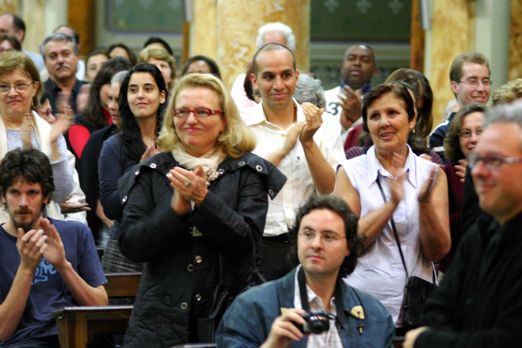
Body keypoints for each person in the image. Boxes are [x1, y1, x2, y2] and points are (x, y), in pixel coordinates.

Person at [118, 73, 286, 346]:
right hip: (159, 322)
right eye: (182, 111)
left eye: (203, 112)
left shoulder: (249, 171)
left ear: (224, 121)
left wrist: (203, 200)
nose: (190, 120)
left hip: (227, 316)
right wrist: (174, 211)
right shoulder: (153, 170)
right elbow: (131, 245)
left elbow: (247, 241)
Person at [404, 102, 522, 348]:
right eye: (478, 159)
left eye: (495, 160)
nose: (478, 171)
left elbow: (507, 340)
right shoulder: (479, 236)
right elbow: (438, 309)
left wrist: (427, 341)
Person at [334, 82, 451, 325]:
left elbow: (438, 251)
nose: (384, 122)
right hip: (361, 310)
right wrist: (390, 205)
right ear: (367, 125)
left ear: (411, 119)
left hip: (416, 313)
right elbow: (346, 245)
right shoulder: (350, 172)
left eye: (392, 113)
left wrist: (424, 203)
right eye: (375, 116)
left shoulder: (432, 174)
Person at [216, 195, 394, 347]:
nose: (316, 244)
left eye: (328, 236)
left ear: (348, 246)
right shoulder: (251, 306)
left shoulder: (374, 314)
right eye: (308, 234)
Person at [245, 43, 345, 280]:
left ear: (297, 77)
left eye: (286, 75)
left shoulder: (325, 124)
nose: (279, 85)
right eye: (269, 76)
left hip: (308, 243)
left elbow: (331, 193)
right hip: (258, 244)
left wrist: (308, 143)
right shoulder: (240, 128)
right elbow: (244, 188)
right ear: (254, 80)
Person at [0, 148, 107, 347]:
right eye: (15, 192)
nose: (23, 203)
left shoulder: (76, 233)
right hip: (24, 342)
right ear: (3, 196)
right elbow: (2, 331)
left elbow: (100, 306)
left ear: (46, 197)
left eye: (32, 193)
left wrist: (63, 265)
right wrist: (26, 269)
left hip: (79, 338)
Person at [100, 63, 167, 272]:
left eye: (148, 89)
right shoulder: (113, 145)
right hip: (125, 248)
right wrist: (140, 168)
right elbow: (110, 207)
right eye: (133, 90)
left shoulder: (176, 141)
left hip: (169, 244)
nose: (140, 95)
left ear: (162, 95)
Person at [0, 50, 75, 224]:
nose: (12, 93)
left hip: (41, 231)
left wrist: (54, 144)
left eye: (20, 85)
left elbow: (61, 193)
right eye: (4, 86)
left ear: (34, 88)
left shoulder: (48, 132)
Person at [80, 70, 127, 245]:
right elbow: (93, 198)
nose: (113, 106)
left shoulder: (157, 138)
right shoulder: (98, 140)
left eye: (119, 99)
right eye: (110, 99)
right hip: (108, 234)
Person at [439, 103, 486, 272]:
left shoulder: (510, 173)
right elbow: (443, 229)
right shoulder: (446, 174)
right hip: (457, 270)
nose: (473, 138)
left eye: (480, 131)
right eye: (466, 133)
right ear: (457, 140)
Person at [67, 57, 131, 164]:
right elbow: (89, 159)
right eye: (112, 82)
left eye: (122, 84)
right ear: (99, 86)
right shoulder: (80, 123)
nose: (116, 89)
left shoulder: (136, 126)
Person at [429, 52, 491, 160]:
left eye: (485, 81)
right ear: (455, 86)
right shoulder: (441, 133)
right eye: (473, 81)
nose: (481, 89)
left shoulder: (499, 126)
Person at [230, 22, 296, 113]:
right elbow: (240, 116)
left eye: (279, 47)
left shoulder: (300, 82)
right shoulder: (242, 81)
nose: (274, 52)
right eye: (268, 47)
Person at [324, 43, 376, 144]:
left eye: (365, 60)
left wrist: (359, 119)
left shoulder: (380, 102)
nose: (357, 63)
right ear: (342, 65)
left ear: (374, 70)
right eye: (351, 58)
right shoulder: (324, 97)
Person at [40, 32, 86, 115]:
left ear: (77, 57)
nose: (60, 60)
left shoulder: (91, 91)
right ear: (45, 63)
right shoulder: (37, 93)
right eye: (53, 56)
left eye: (66, 54)